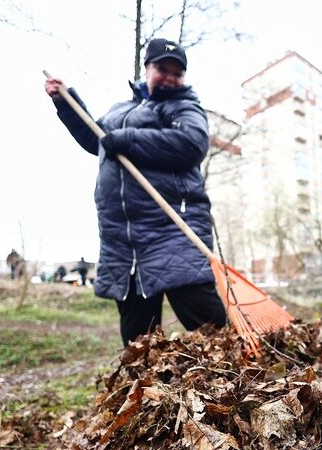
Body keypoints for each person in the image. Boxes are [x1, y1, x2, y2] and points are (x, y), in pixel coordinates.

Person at [45, 38, 227, 346]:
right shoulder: (121, 110)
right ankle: (147, 390)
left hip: (172, 232)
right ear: (147, 69)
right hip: (124, 240)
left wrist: (128, 139)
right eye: (162, 69)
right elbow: (97, 139)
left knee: (209, 329)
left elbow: (192, 144)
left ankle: (238, 381)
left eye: (176, 72)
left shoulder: (183, 106)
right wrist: (66, 102)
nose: (170, 77)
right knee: (138, 341)